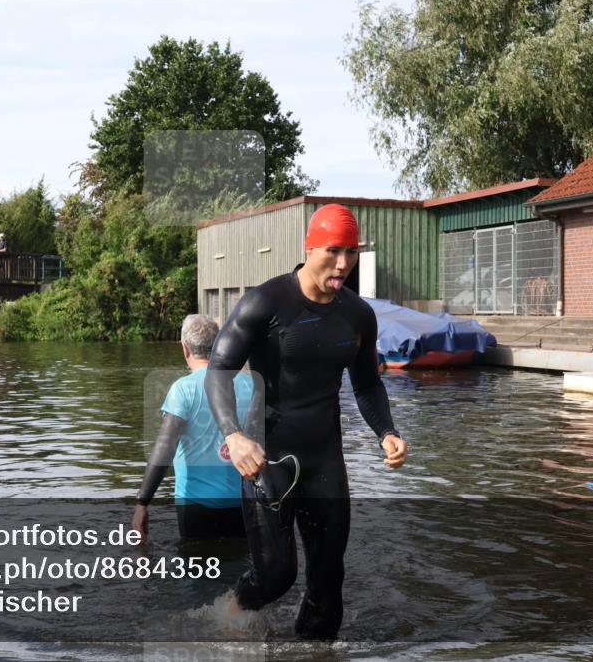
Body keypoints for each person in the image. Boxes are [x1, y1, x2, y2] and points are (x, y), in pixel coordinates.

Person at [204, 203, 408, 640]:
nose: (343, 264)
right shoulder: (266, 302)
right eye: (333, 251)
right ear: (309, 247)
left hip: (324, 459)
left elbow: (368, 383)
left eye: (351, 253)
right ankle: (232, 611)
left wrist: (386, 432)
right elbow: (218, 370)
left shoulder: (357, 314)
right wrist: (234, 436)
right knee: (278, 575)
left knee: (328, 583)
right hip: (267, 458)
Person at [133, 315, 253, 542]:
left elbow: (165, 446)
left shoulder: (183, 389)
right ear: (219, 344)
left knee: (198, 569)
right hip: (243, 503)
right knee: (239, 566)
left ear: (185, 348)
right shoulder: (248, 383)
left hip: (196, 505)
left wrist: (143, 502)